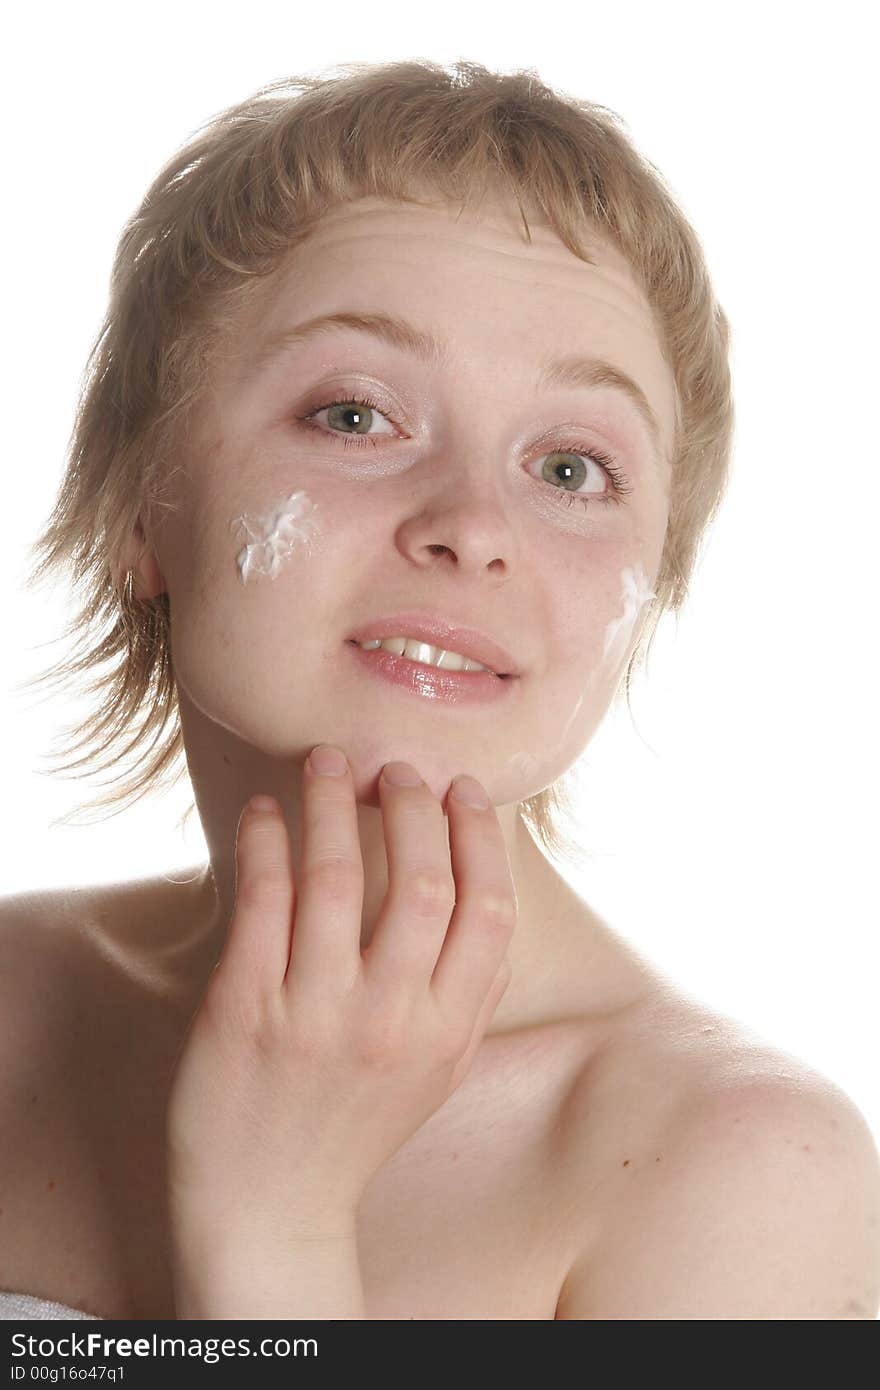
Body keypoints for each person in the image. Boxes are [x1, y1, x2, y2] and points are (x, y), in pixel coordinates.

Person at [2, 57, 878, 1322]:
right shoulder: (18, 1003)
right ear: (145, 504)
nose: (473, 523)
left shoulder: (739, 1168)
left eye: (572, 467)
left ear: (651, 582)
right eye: (355, 416)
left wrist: (273, 1222)